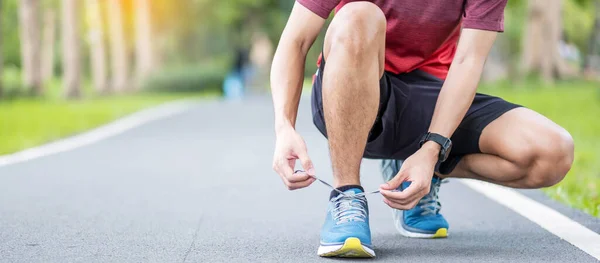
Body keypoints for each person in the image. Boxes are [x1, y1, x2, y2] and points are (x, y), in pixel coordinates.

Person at [269, 0, 574, 258]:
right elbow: (295, 41)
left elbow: (469, 60)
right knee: (359, 15)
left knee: (552, 152)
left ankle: (420, 170)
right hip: (353, 90)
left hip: (434, 100)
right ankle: (346, 196)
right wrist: (284, 127)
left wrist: (432, 150)